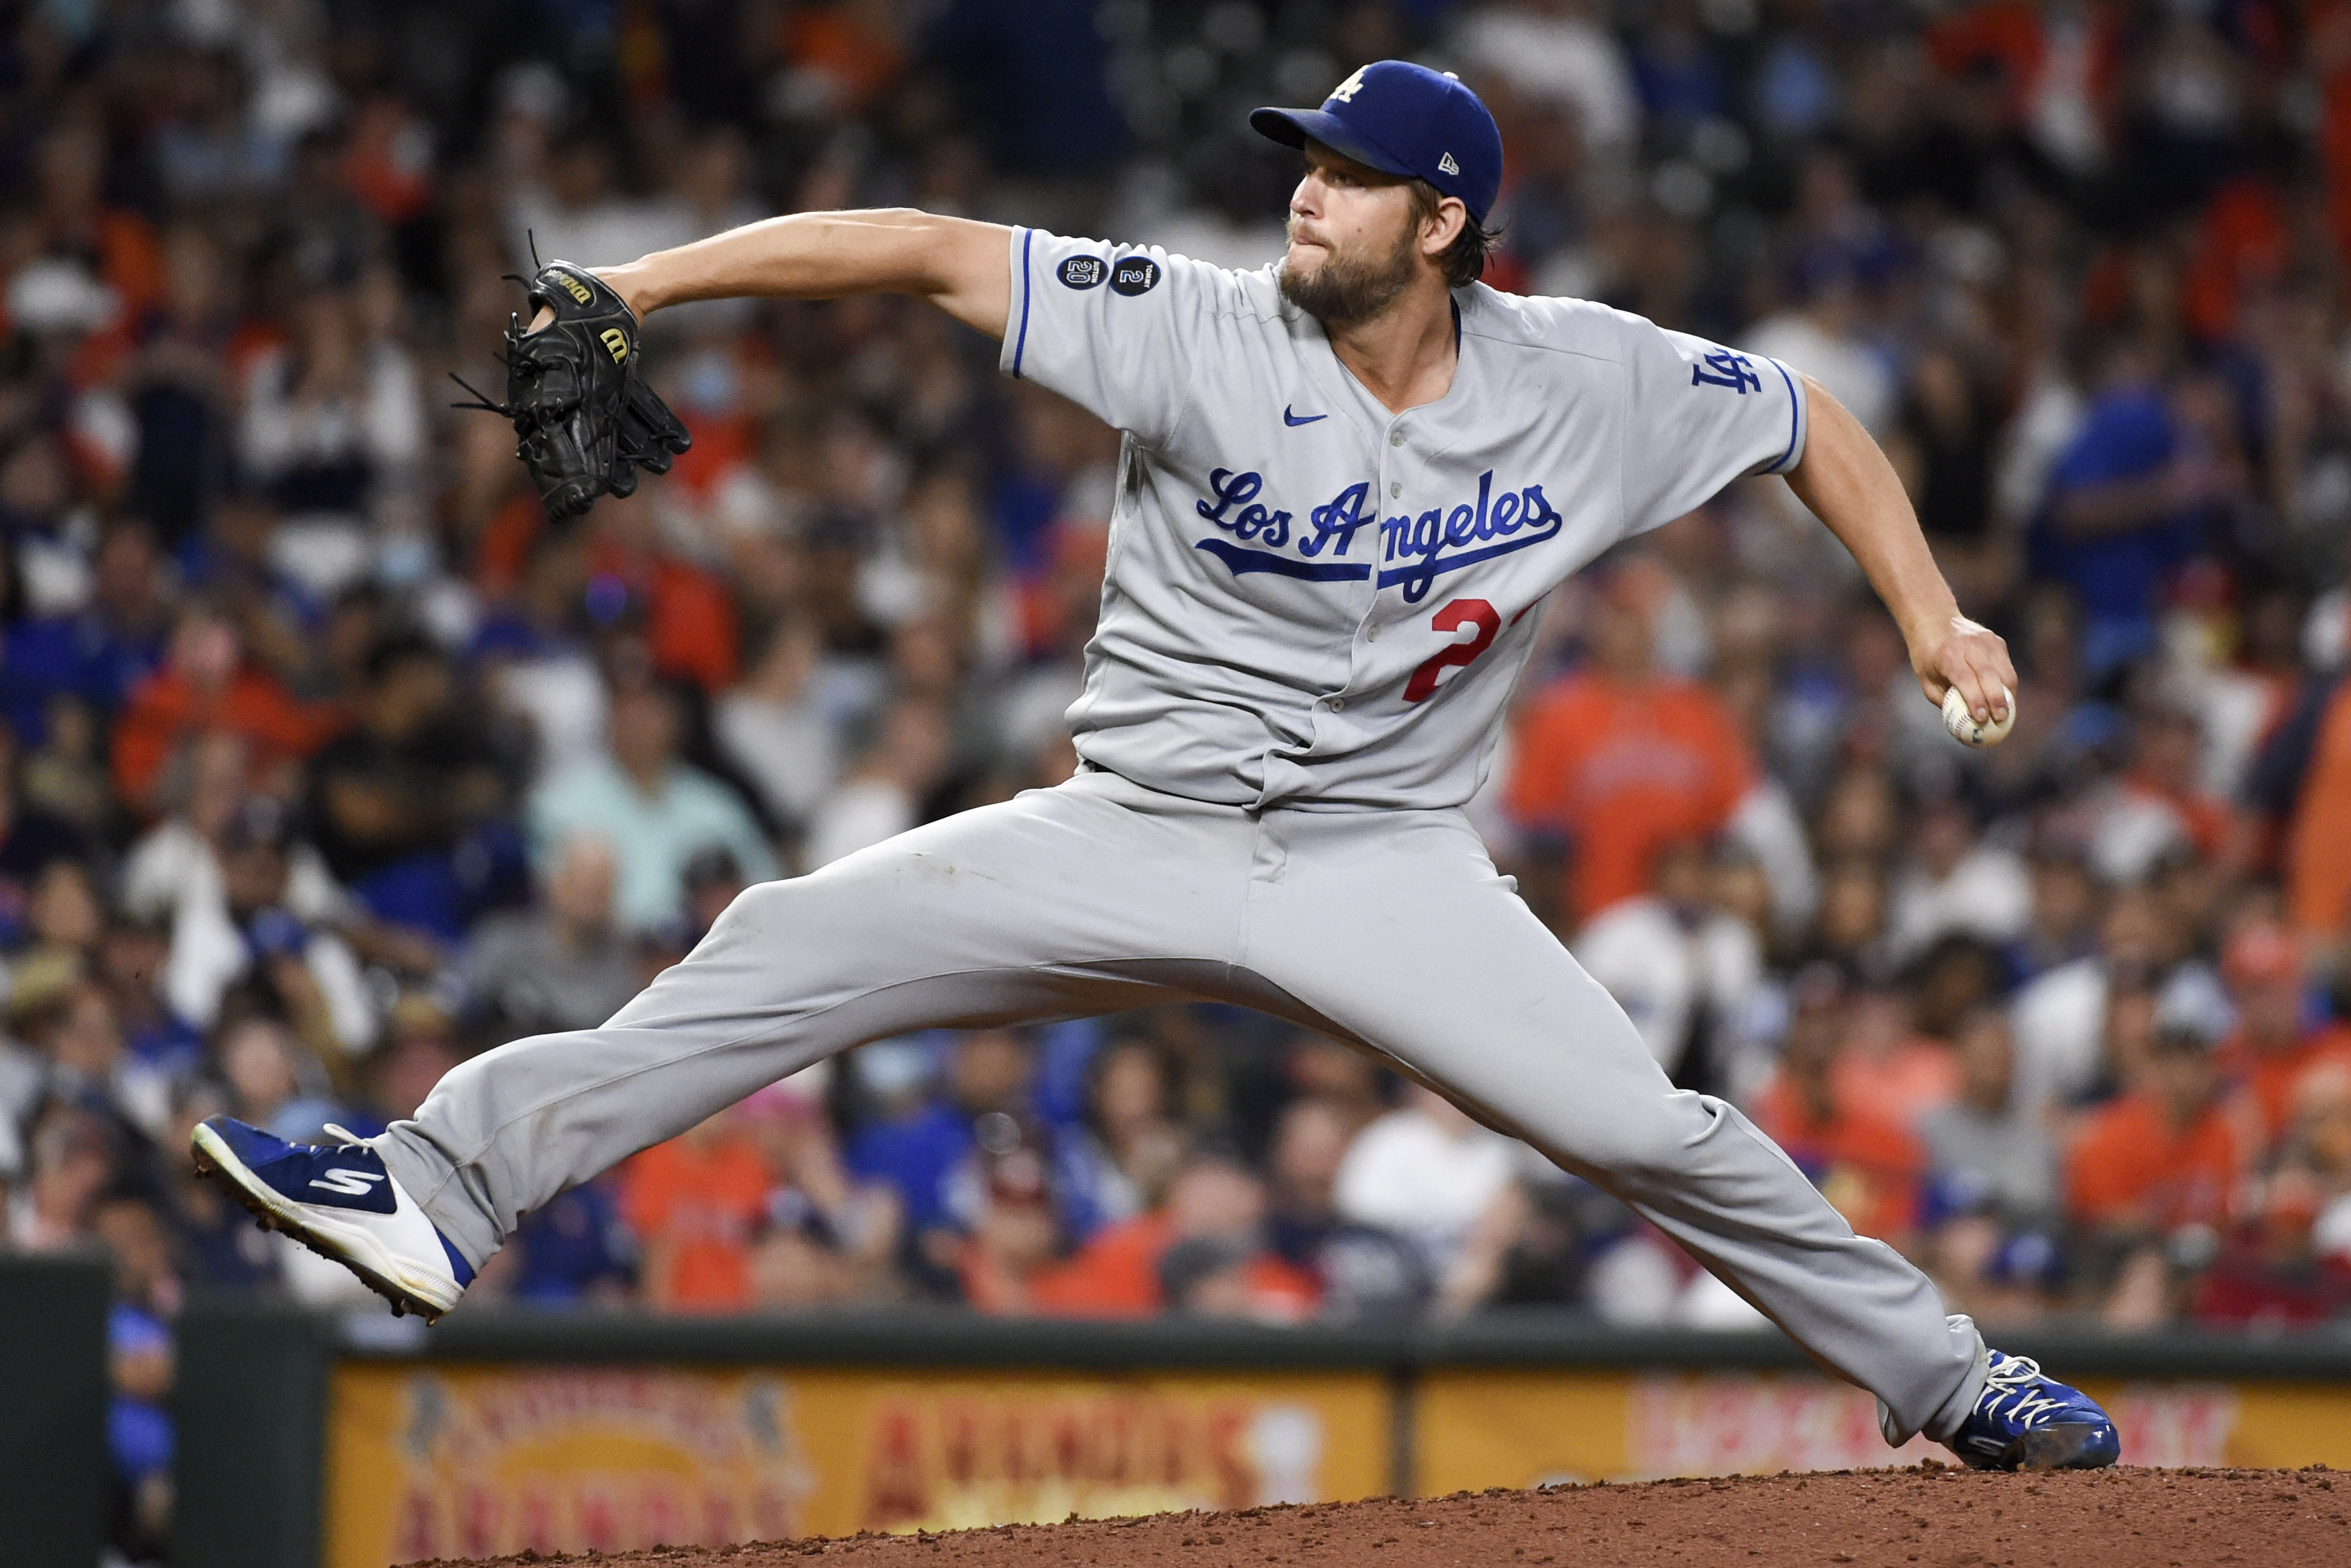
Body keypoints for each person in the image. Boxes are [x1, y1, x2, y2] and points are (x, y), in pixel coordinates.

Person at [189, 62, 2113, 1472]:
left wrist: (1928, 616)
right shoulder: (1193, 324)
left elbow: (1802, 420)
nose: (1307, 195)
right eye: (1307, 162)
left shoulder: (1584, 377)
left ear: (1443, 225)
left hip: (1387, 862)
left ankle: (1953, 1381)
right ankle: (437, 1186)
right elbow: (923, 249)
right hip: (1133, 829)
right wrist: (653, 284)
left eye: (1354, 179)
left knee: (1646, 1129)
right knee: (779, 942)